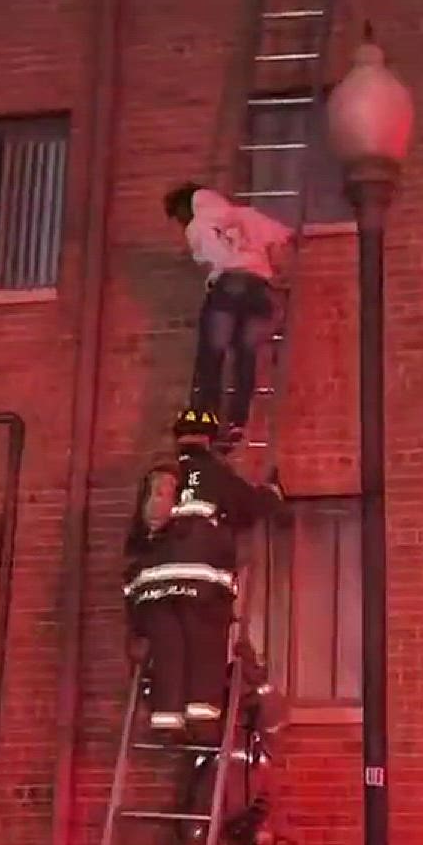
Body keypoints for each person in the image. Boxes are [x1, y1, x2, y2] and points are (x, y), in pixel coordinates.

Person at [124, 409, 283, 731]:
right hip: (202, 582)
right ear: (210, 439)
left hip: (153, 586)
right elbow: (250, 506)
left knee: (168, 648)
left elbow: (135, 538)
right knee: (205, 646)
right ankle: (202, 720)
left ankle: (166, 719)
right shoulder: (215, 473)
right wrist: (273, 494)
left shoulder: (157, 479)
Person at [164, 182, 294, 447]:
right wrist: (278, 277)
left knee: (212, 353)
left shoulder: (198, 225)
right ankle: (237, 421)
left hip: (229, 284)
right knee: (245, 356)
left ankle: (206, 416)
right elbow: (284, 238)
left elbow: (210, 257)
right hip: (259, 290)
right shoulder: (247, 214)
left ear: (187, 206)